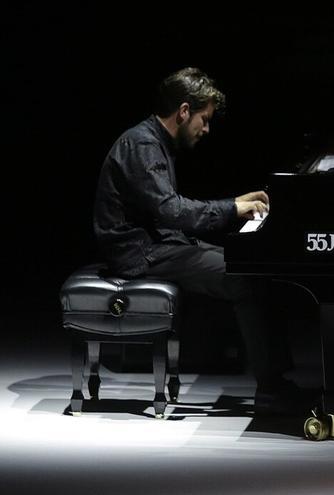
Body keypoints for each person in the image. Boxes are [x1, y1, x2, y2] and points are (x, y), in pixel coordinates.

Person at [93, 67, 302, 413]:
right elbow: (171, 211)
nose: (206, 129)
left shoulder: (152, 141)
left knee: (250, 266)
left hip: (159, 245)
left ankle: (275, 381)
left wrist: (233, 206)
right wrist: (233, 208)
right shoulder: (142, 144)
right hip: (139, 253)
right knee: (245, 277)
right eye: (203, 119)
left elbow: (169, 214)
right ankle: (272, 388)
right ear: (184, 111)